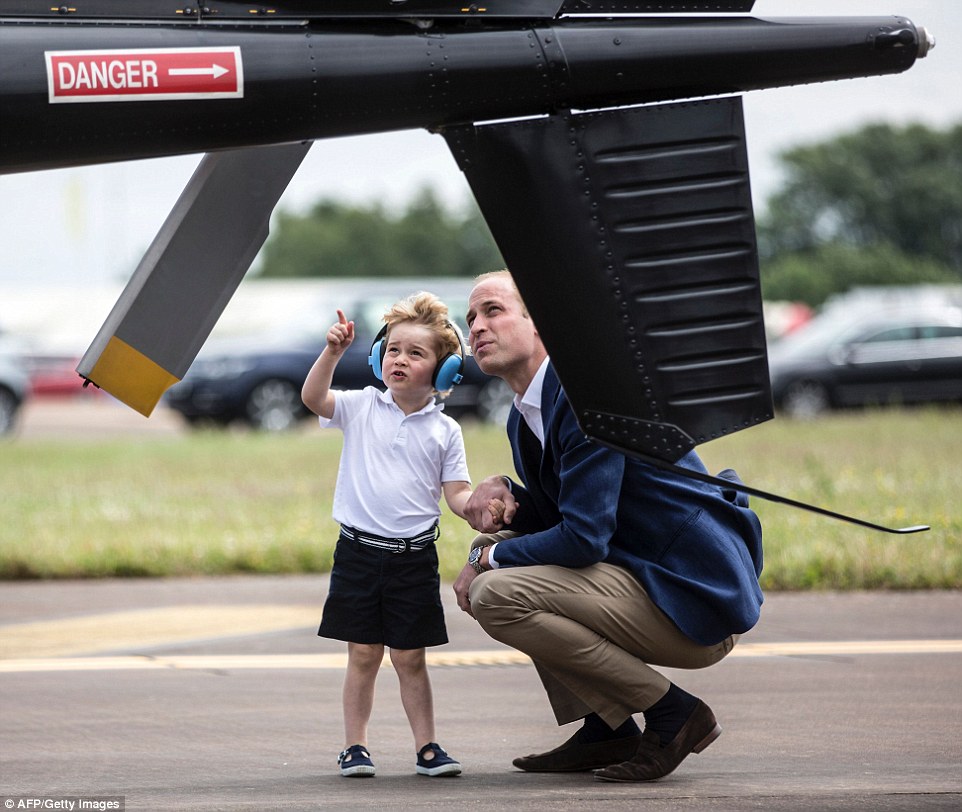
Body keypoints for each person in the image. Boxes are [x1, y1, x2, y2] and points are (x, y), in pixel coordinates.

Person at [453, 270, 764, 783]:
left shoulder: (585, 400)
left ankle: (673, 712)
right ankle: (608, 727)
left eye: (493, 310)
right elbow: (565, 517)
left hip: (692, 597)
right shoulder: (525, 414)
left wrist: (484, 559)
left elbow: (583, 539)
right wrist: (509, 502)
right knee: (499, 552)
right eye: (471, 318)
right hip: (640, 580)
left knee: (496, 592)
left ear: (541, 326)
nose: (477, 328)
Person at [303, 291, 490, 779]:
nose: (400, 359)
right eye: (392, 350)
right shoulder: (361, 406)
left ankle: (427, 747)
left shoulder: (446, 431)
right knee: (363, 655)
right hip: (359, 554)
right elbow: (312, 398)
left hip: (413, 558)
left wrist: (479, 507)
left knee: (411, 658)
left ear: (445, 371)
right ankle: (355, 747)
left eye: (415, 353)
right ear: (376, 358)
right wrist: (332, 352)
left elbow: (456, 494)